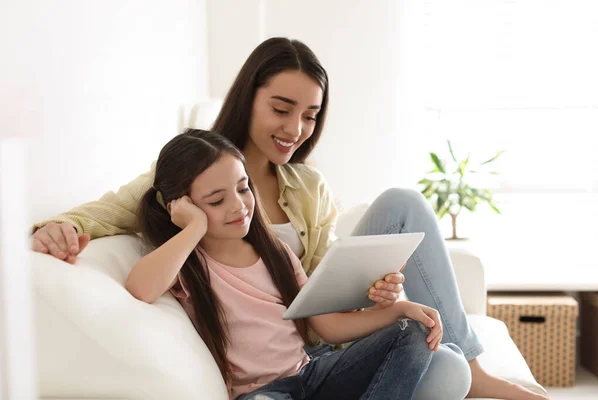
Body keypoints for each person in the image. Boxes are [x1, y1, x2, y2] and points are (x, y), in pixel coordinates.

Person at [31, 37, 546, 400]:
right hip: (277, 371)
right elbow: (105, 214)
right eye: (282, 108)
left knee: (404, 205)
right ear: (248, 97)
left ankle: (474, 367)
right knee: (444, 372)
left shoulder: (307, 187)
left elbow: (319, 296)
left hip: (320, 340)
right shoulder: (190, 177)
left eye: (311, 115)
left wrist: (383, 296)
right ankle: (461, 369)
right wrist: (61, 227)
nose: (296, 128)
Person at [128, 129, 441, 399]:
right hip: (262, 394)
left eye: (242, 188)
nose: (238, 206)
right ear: (181, 207)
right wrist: (194, 228)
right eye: (216, 200)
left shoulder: (276, 253)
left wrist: (400, 310)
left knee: (412, 333)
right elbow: (140, 288)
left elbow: (328, 328)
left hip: (311, 374)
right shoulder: (188, 264)